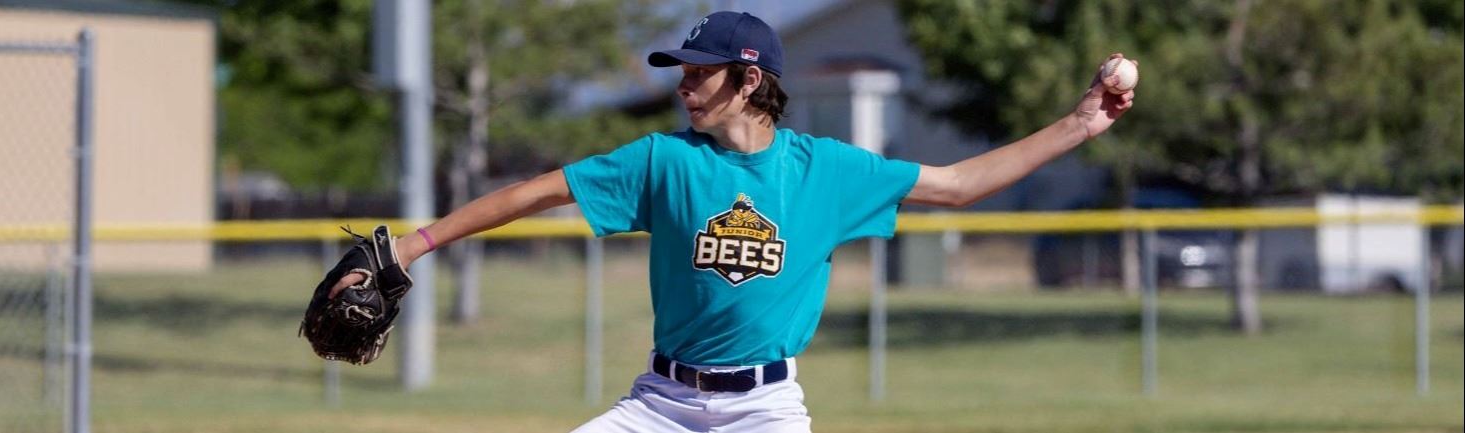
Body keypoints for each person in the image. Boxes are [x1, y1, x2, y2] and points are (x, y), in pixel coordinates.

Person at [330, 10, 1134, 433]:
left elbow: (959, 184)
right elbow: (535, 193)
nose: (683, 84)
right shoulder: (661, 161)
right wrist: (414, 242)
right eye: (681, 71)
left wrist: (1078, 124)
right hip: (660, 403)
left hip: (764, 410)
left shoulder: (826, 171)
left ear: (748, 81)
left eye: (699, 72)